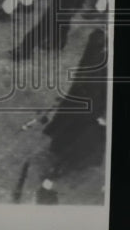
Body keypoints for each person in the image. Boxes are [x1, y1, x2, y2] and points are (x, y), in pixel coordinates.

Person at [36, 28, 108, 204]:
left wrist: (106, 115)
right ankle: (58, 157)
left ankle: (56, 174)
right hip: (82, 97)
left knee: (82, 141)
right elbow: (84, 65)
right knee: (70, 131)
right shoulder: (97, 38)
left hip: (96, 107)